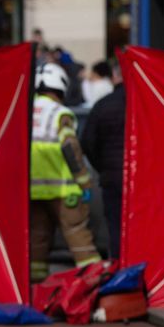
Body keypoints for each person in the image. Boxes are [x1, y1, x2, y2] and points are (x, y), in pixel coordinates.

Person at [30, 63, 102, 281]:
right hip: (64, 192)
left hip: (33, 192)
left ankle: (36, 289)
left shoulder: (24, 111)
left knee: (37, 243)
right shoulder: (60, 114)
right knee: (79, 238)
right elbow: (70, 147)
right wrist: (85, 182)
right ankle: (95, 283)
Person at [80, 61, 125, 260]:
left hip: (111, 178)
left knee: (115, 227)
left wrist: (102, 167)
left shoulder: (103, 105)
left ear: (115, 77)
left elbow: (88, 142)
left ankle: (118, 269)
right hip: (141, 179)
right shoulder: (143, 102)